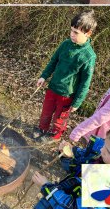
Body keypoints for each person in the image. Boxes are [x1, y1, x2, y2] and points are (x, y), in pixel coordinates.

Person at [32, 123, 110, 209]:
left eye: (108, 151)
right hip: (66, 201)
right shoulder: (102, 156)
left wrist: (48, 188)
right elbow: (81, 162)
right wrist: (69, 154)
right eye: (105, 143)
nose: (102, 150)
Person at [32, 10, 97, 143]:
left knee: (59, 118)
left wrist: (77, 102)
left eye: (76, 33)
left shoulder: (89, 56)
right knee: (46, 111)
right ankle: (42, 128)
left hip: (67, 95)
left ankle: (55, 135)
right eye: (71, 31)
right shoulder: (65, 44)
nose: (72, 35)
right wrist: (44, 76)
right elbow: (53, 61)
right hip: (53, 88)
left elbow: (85, 82)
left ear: (88, 33)